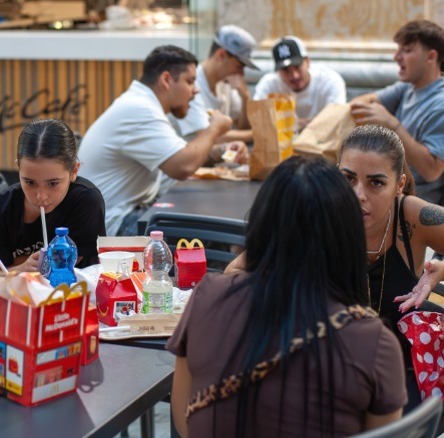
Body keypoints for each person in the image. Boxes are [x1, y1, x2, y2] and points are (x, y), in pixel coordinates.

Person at [168, 155, 406, 437]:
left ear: (260, 225)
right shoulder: (375, 343)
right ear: (349, 236)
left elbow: (184, 420)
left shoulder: (207, 297)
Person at [78, 45, 244, 236]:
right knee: (214, 233)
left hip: (130, 212)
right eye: (190, 81)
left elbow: (182, 154)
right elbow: (182, 166)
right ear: (166, 80)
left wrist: (223, 151)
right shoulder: (140, 110)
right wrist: (213, 129)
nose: (195, 90)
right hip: (113, 226)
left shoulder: (143, 104)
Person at [338, 124, 444, 411]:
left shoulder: (412, 215)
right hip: (338, 366)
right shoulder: (320, 215)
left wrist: (442, 269)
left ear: (399, 184)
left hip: (410, 368)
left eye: (376, 182)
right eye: (347, 178)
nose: (358, 193)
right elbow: (239, 270)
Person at [0, 119, 106, 274]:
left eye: (53, 183)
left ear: (74, 171)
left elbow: (70, 265)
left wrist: (13, 266)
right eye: (29, 182)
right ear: (18, 168)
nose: (41, 196)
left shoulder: (86, 201)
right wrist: (20, 269)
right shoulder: (2, 206)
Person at [351, 20, 444, 204]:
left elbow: (432, 171)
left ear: (431, 57)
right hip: (389, 189)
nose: (396, 56)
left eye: (407, 50)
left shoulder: (440, 103)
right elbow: (359, 103)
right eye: (398, 49)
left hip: (416, 204)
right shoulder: (407, 87)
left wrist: (391, 124)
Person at [172, 25, 258, 144]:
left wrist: (245, 97)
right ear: (221, 55)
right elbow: (207, 137)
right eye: (239, 66)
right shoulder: (191, 85)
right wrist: (257, 133)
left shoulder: (224, 84)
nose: (241, 73)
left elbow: (241, 126)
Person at [253, 36, 346, 130]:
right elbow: (258, 121)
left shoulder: (330, 81)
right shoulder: (268, 85)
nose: (294, 76)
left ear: (308, 61)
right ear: (277, 71)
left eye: (297, 66)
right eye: (285, 70)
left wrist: (290, 125)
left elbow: (337, 120)